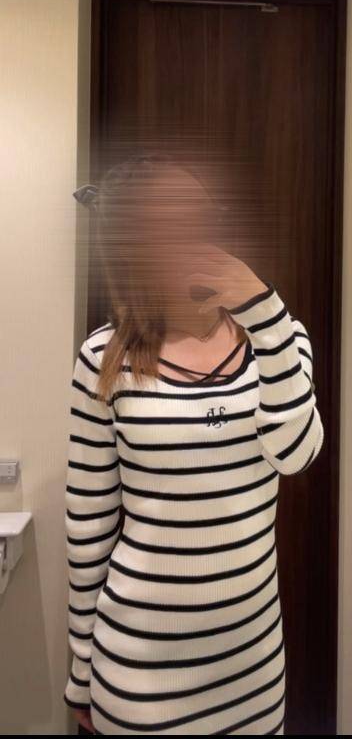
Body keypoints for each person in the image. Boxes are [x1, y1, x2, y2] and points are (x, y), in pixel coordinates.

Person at [64, 152, 324, 735]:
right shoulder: (103, 358)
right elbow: (89, 523)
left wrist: (268, 314)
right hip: (138, 668)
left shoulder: (281, 339)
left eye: (202, 216)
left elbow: (295, 455)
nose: (194, 236)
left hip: (253, 664)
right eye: (169, 222)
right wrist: (81, 671)